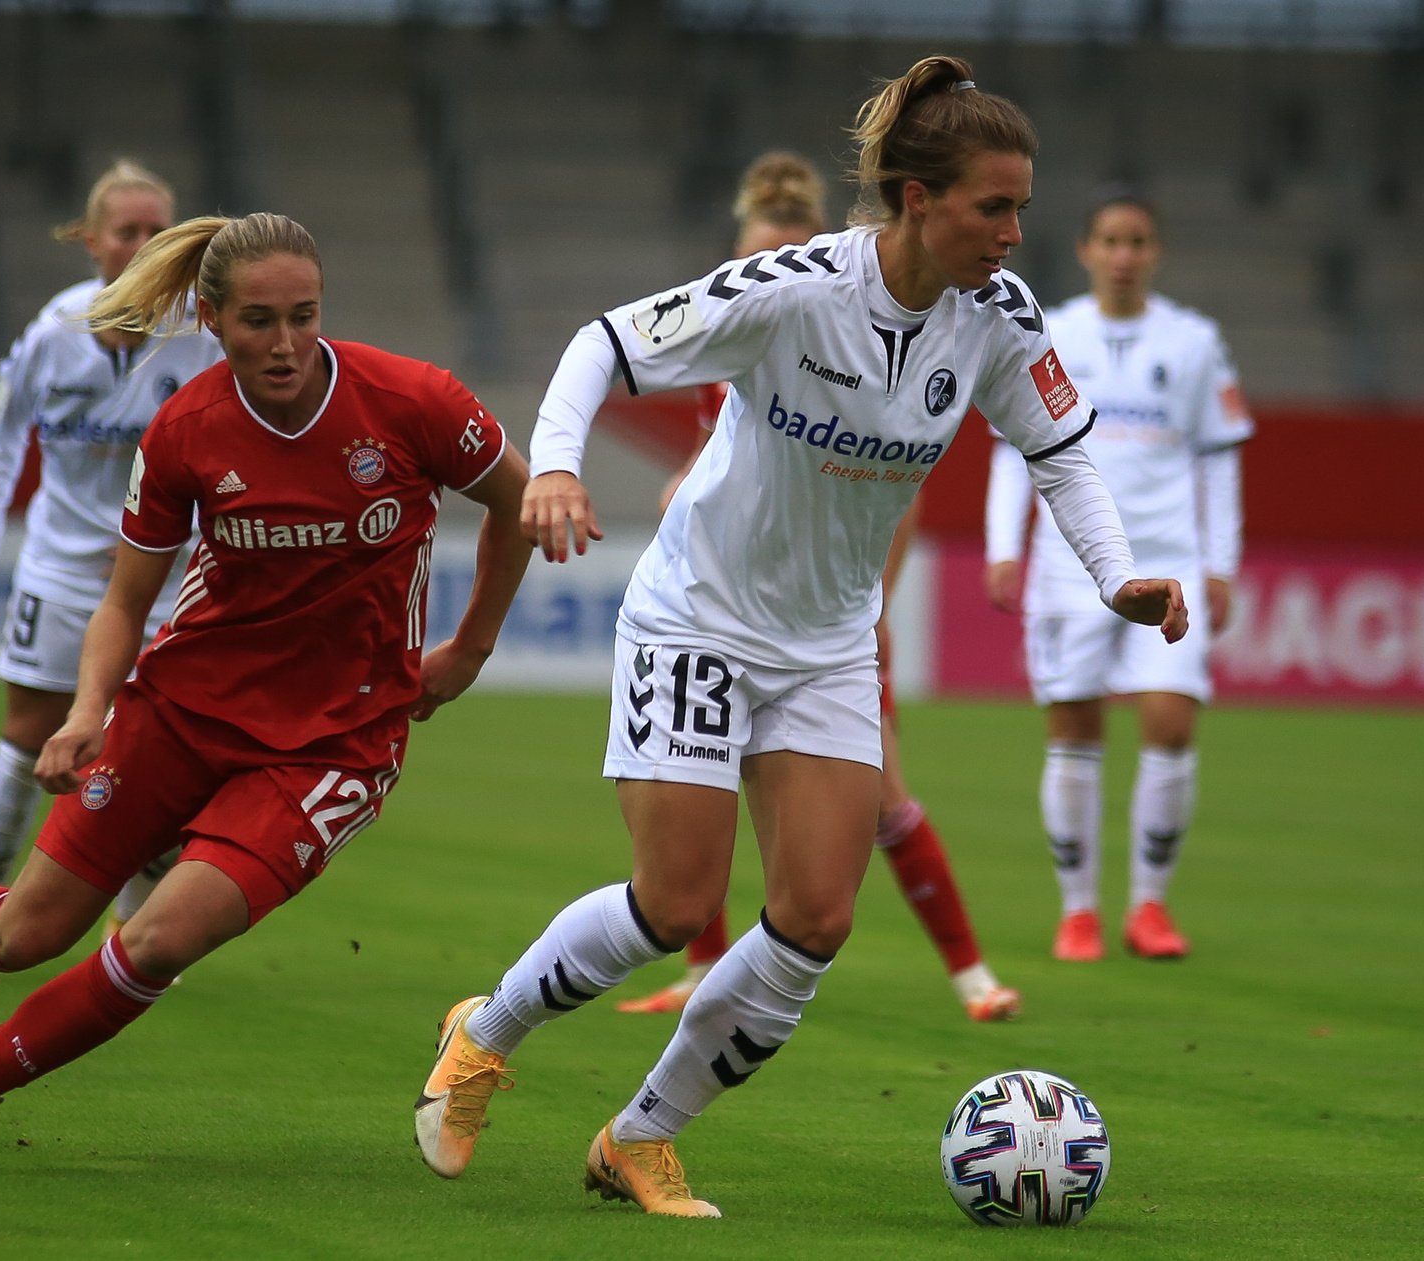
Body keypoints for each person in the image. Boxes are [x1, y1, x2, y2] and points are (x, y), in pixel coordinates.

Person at [412, 56, 1186, 1219]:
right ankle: (486, 1030)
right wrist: (558, 465)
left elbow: (1060, 452)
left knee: (816, 916)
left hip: (827, 640)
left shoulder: (999, 316)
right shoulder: (789, 287)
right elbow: (602, 345)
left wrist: (1116, 575)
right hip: (697, 619)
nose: (1015, 232)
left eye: (1022, 205)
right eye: (993, 205)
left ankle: (639, 1136)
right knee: (674, 903)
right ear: (917, 200)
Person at [0, 211, 534, 1178]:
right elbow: (125, 600)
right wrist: (85, 714)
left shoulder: (414, 401)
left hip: (334, 745)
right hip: (183, 711)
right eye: (257, 322)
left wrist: (470, 649)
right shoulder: (187, 430)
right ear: (210, 318)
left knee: (154, 942)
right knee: (30, 930)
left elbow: (517, 505)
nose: (284, 344)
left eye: (304, 316)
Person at [618, 151, 1020, 1022]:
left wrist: (873, 609)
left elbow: (888, 497)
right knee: (701, 783)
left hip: (832, 619)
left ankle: (972, 972)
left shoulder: (855, 336)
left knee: (881, 801)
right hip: (735, 607)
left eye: (791, 249)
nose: (767, 272)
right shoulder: (728, 351)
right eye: (752, 256)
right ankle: (702, 968)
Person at [0, 160, 222, 984]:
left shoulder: (202, 335)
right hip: (60, 572)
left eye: (156, 231)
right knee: (28, 739)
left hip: (165, 579)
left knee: (167, 750)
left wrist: (183, 537)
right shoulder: (53, 331)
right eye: (126, 230)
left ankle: (136, 931)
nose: (142, 246)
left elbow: (227, 451)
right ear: (92, 240)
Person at [984, 188, 1252, 964]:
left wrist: (1221, 565)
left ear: (1155, 251)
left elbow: (1220, 460)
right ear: (1086, 250)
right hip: (1069, 566)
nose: (1124, 255)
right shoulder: (1051, 332)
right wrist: (1005, 545)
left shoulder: (1196, 341)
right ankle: (1078, 913)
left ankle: (1149, 905)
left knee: (1171, 723)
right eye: (1110, 240)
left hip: (1170, 560)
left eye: (1138, 240)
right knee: (1073, 729)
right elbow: (1013, 448)